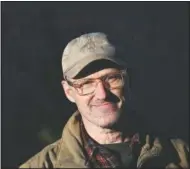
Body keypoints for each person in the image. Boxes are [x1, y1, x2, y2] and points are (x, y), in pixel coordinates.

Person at [20, 32, 189, 168]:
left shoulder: (182, 155)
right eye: (86, 84)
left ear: (128, 80)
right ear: (69, 92)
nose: (101, 94)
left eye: (111, 78)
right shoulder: (41, 165)